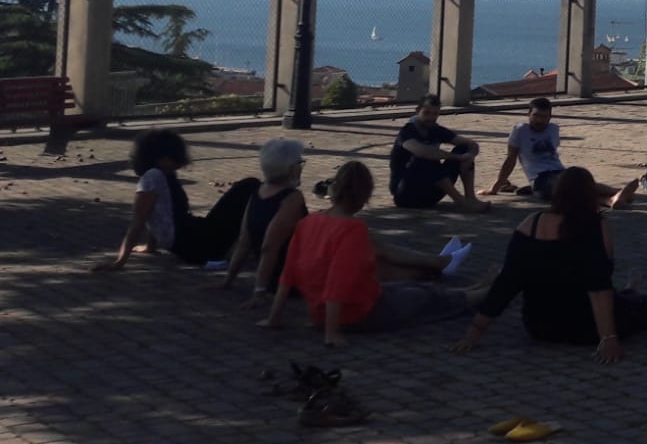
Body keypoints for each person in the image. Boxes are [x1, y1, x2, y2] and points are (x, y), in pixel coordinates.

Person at [452, 167, 647, 362]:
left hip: (539, 325)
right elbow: (599, 284)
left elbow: (507, 282)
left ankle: (629, 292)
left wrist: (475, 331)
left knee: (626, 301)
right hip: (585, 326)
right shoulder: (595, 226)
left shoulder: (530, 223)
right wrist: (608, 338)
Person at [262, 161, 484, 348]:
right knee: (425, 299)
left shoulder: (309, 222)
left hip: (332, 306)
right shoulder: (352, 228)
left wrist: (274, 317)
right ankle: (479, 294)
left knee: (412, 288)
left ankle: (470, 289)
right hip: (356, 313)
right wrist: (331, 332)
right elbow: (337, 282)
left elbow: (289, 272)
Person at [91, 129, 260, 271]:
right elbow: (139, 220)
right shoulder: (152, 177)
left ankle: (257, 242)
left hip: (196, 235)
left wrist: (150, 247)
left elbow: (158, 213)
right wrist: (120, 261)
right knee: (250, 185)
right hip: (197, 245)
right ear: (160, 157)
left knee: (250, 187)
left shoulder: (166, 174)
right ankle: (261, 244)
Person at [483, 98, 638, 206]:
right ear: (528, 114)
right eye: (536, 116)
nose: (539, 120)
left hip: (559, 171)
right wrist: (495, 188)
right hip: (540, 179)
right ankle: (612, 197)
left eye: (544, 117)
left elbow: (552, 156)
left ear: (550, 117)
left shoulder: (553, 129)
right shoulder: (520, 130)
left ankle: (615, 195)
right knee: (569, 192)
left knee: (579, 180)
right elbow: (511, 159)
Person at [222, 137, 309, 304]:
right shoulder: (292, 198)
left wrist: (229, 279)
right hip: (289, 280)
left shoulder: (258, 192)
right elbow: (270, 247)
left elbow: (244, 241)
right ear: (291, 169)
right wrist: (259, 292)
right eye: (299, 163)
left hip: (271, 278)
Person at [388, 95, 490, 212]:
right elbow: (422, 151)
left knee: (464, 148)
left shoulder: (435, 129)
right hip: (406, 195)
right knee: (425, 159)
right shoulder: (407, 131)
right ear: (417, 111)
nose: (431, 117)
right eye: (426, 113)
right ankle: (461, 202)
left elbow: (471, 144)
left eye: (435, 114)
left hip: (430, 193)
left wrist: (470, 156)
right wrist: (457, 157)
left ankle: (470, 198)